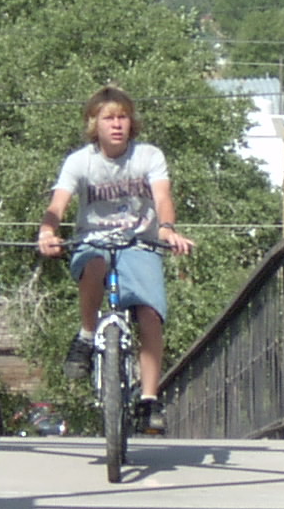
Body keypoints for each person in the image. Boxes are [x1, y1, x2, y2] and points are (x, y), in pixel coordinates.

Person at [37, 86, 194, 433]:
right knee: (94, 264)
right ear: (94, 123)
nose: (117, 124)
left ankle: (150, 399)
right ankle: (87, 334)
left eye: (123, 116)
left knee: (150, 312)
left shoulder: (149, 156)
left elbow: (163, 196)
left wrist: (166, 229)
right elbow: (57, 205)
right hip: (93, 241)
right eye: (109, 117)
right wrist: (47, 233)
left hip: (139, 243)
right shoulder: (80, 162)